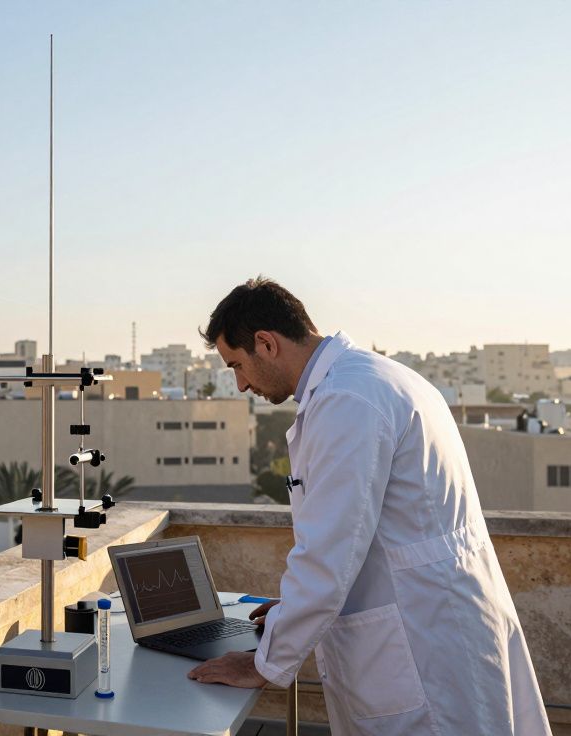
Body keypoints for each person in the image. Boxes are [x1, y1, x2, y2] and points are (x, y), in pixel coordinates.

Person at [187, 278, 550, 735]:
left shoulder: (347, 401)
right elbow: (376, 535)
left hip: (420, 644)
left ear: (266, 343)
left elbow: (329, 553)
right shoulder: (375, 377)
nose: (240, 384)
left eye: (237, 365)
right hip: (436, 620)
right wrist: (291, 610)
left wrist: (264, 663)